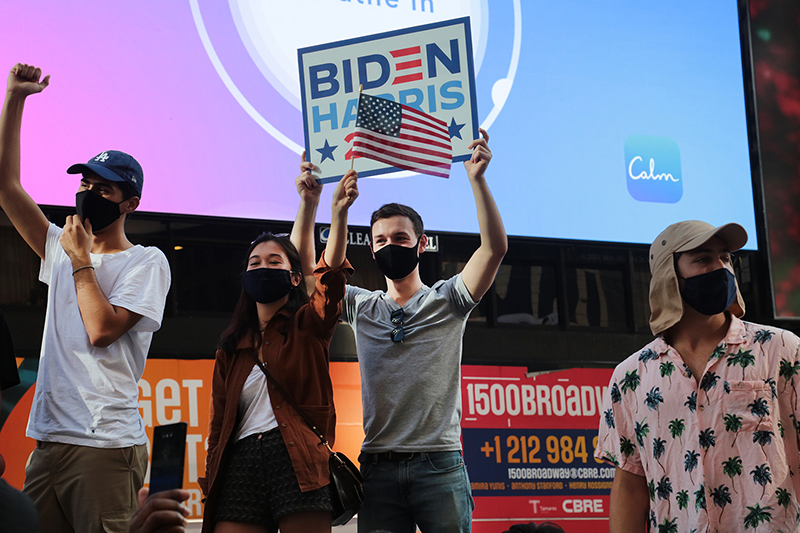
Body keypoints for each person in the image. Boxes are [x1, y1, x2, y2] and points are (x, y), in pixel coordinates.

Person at [293, 128, 507, 532]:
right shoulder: (362, 305)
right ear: (371, 249)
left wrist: (477, 181)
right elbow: (309, 277)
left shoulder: (449, 299)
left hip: (439, 463)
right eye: (380, 239)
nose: (390, 244)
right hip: (378, 467)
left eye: (400, 237)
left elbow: (494, 249)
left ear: (421, 244)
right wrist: (312, 205)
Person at [0, 63, 171, 533]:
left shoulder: (147, 261)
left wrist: (79, 261)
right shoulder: (62, 246)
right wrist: (15, 99)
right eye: (85, 185)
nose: (88, 194)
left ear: (129, 203)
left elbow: (102, 330)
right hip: (50, 438)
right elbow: (6, 187)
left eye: (103, 189)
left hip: (104, 444)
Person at [596, 220, 800, 532]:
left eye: (726, 258)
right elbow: (630, 484)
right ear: (668, 275)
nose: (721, 268)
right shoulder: (630, 377)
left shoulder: (781, 349)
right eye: (703, 259)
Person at [198, 170, 358, 533]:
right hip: (239, 464)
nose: (263, 267)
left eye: (274, 262)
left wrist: (339, 213)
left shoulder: (309, 325)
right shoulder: (231, 346)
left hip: (298, 460)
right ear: (244, 279)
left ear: (295, 277)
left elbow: (330, 276)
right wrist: (212, 478)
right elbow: (218, 424)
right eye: (255, 263)